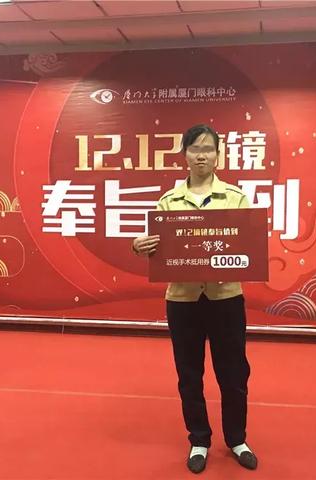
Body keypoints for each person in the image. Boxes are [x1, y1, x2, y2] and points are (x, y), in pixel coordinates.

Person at [132, 124, 258, 474]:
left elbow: (248, 245)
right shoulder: (168, 201)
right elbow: (158, 244)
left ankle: (237, 439)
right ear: (184, 155)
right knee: (189, 374)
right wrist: (139, 246)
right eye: (195, 149)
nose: (201, 155)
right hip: (183, 300)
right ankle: (199, 439)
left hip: (226, 298)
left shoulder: (236, 198)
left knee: (233, 373)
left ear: (218, 155)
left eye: (208, 149)